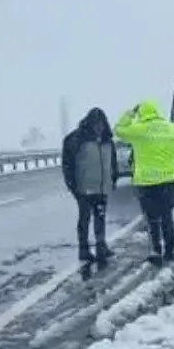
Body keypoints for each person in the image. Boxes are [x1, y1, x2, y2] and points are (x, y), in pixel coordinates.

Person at [114, 99, 174, 265]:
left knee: (152, 218)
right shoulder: (172, 129)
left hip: (145, 183)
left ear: (142, 114)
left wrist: (130, 113)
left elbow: (118, 130)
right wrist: (171, 164)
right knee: (167, 216)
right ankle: (170, 252)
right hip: (167, 181)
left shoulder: (139, 130)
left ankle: (156, 250)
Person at [61, 107, 118, 262]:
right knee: (84, 219)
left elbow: (113, 163)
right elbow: (68, 165)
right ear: (90, 124)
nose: (100, 128)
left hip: (101, 187)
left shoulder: (108, 141)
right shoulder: (76, 140)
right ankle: (84, 249)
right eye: (96, 125)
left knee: (100, 217)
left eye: (102, 125)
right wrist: (72, 185)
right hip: (84, 188)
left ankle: (101, 246)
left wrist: (113, 179)